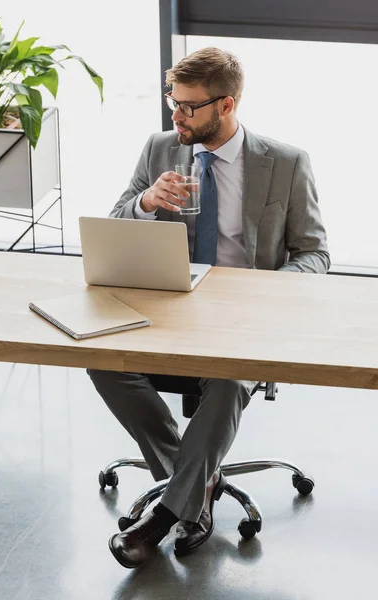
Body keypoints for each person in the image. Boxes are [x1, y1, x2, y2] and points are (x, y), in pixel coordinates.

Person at [88, 47, 330, 569]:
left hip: (244, 322)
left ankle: (161, 519)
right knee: (99, 355)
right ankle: (195, 484)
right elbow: (114, 218)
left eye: (188, 107)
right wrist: (147, 203)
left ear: (226, 105)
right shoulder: (160, 149)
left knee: (224, 379)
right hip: (169, 308)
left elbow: (315, 252)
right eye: (172, 103)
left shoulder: (285, 163)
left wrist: (263, 293)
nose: (176, 116)